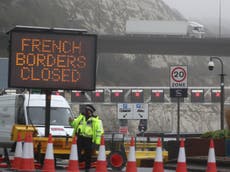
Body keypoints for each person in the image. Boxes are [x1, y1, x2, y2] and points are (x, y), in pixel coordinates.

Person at [69, 104, 104, 172]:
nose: (85, 112)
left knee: (88, 154)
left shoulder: (96, 120)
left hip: (89, 139)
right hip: (80, 138)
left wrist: (97, 142)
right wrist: (71, 121)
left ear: (90, 111)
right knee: (77, 152)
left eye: (87, 110)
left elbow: (99, 131)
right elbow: (74, 124)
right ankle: (77, 165)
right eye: (85, 110)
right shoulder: (81, 117)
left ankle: (87, 168)